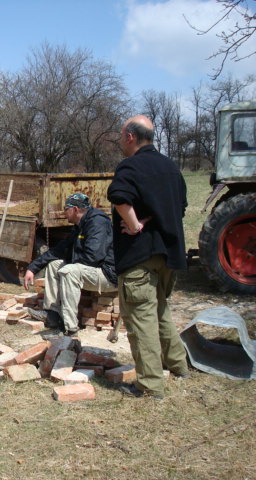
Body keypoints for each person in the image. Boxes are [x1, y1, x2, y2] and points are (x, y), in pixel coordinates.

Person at [107, 115, 190, 400]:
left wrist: (134, 224)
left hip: (140, 257)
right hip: (168, 256)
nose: (120, 140)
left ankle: (151, 385)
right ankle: (178, 365)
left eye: (121, 135)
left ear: (130, 137)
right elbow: (178, 207)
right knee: (160, 311)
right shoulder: (171, 168)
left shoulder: (130, 166)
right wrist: (149, 217)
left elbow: (118, 196)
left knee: (141, 320)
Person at [23, 193, 118, 335]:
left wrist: (70, 264)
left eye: (65, 209)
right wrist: (32, 268)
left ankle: (70, 328)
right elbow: (58, 250)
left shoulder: (97, 223)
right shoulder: (80, 225)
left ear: (74, 209)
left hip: (107, 274)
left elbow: (93, 257)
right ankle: (53, 315)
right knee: (54, 265)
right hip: (92, 270)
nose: (63, 212)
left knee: (69, 271)